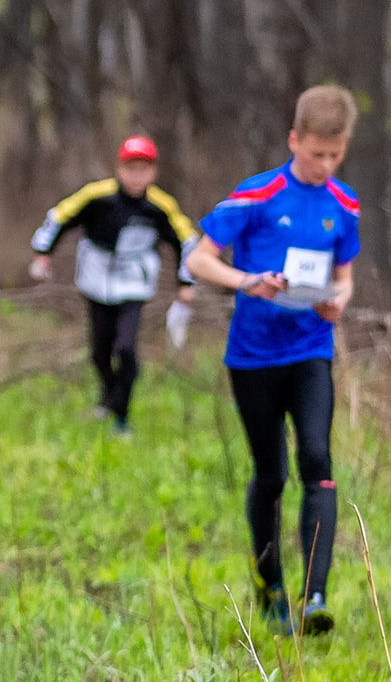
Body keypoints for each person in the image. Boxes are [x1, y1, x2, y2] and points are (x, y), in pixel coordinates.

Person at [184, 85, 360, 636]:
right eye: (316, 155)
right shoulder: (256, 196)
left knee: (317, 461)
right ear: (294, 141)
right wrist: (247, 282)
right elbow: (197, 259)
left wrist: (339, 301)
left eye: (335, 156)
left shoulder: (345, 204)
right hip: (254, 359)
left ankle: (315, 596)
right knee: (272, 475)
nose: (325, 166)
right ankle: (269, 584)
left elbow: (345, 275)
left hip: (311, 350)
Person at [28, 134, 199, 435]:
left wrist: (186, 282)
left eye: (143, 169)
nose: (136, 176)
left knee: (127, 348)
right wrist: (43, 254)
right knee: (100, 351)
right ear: (119, 168)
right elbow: (59, 217)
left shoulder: (161, 206)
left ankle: (121, 418)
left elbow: (187, 242)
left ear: (153, 172)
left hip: (134, 282)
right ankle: (108, 397)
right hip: (96, 278)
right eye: (131, 168)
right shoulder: (97, 196)